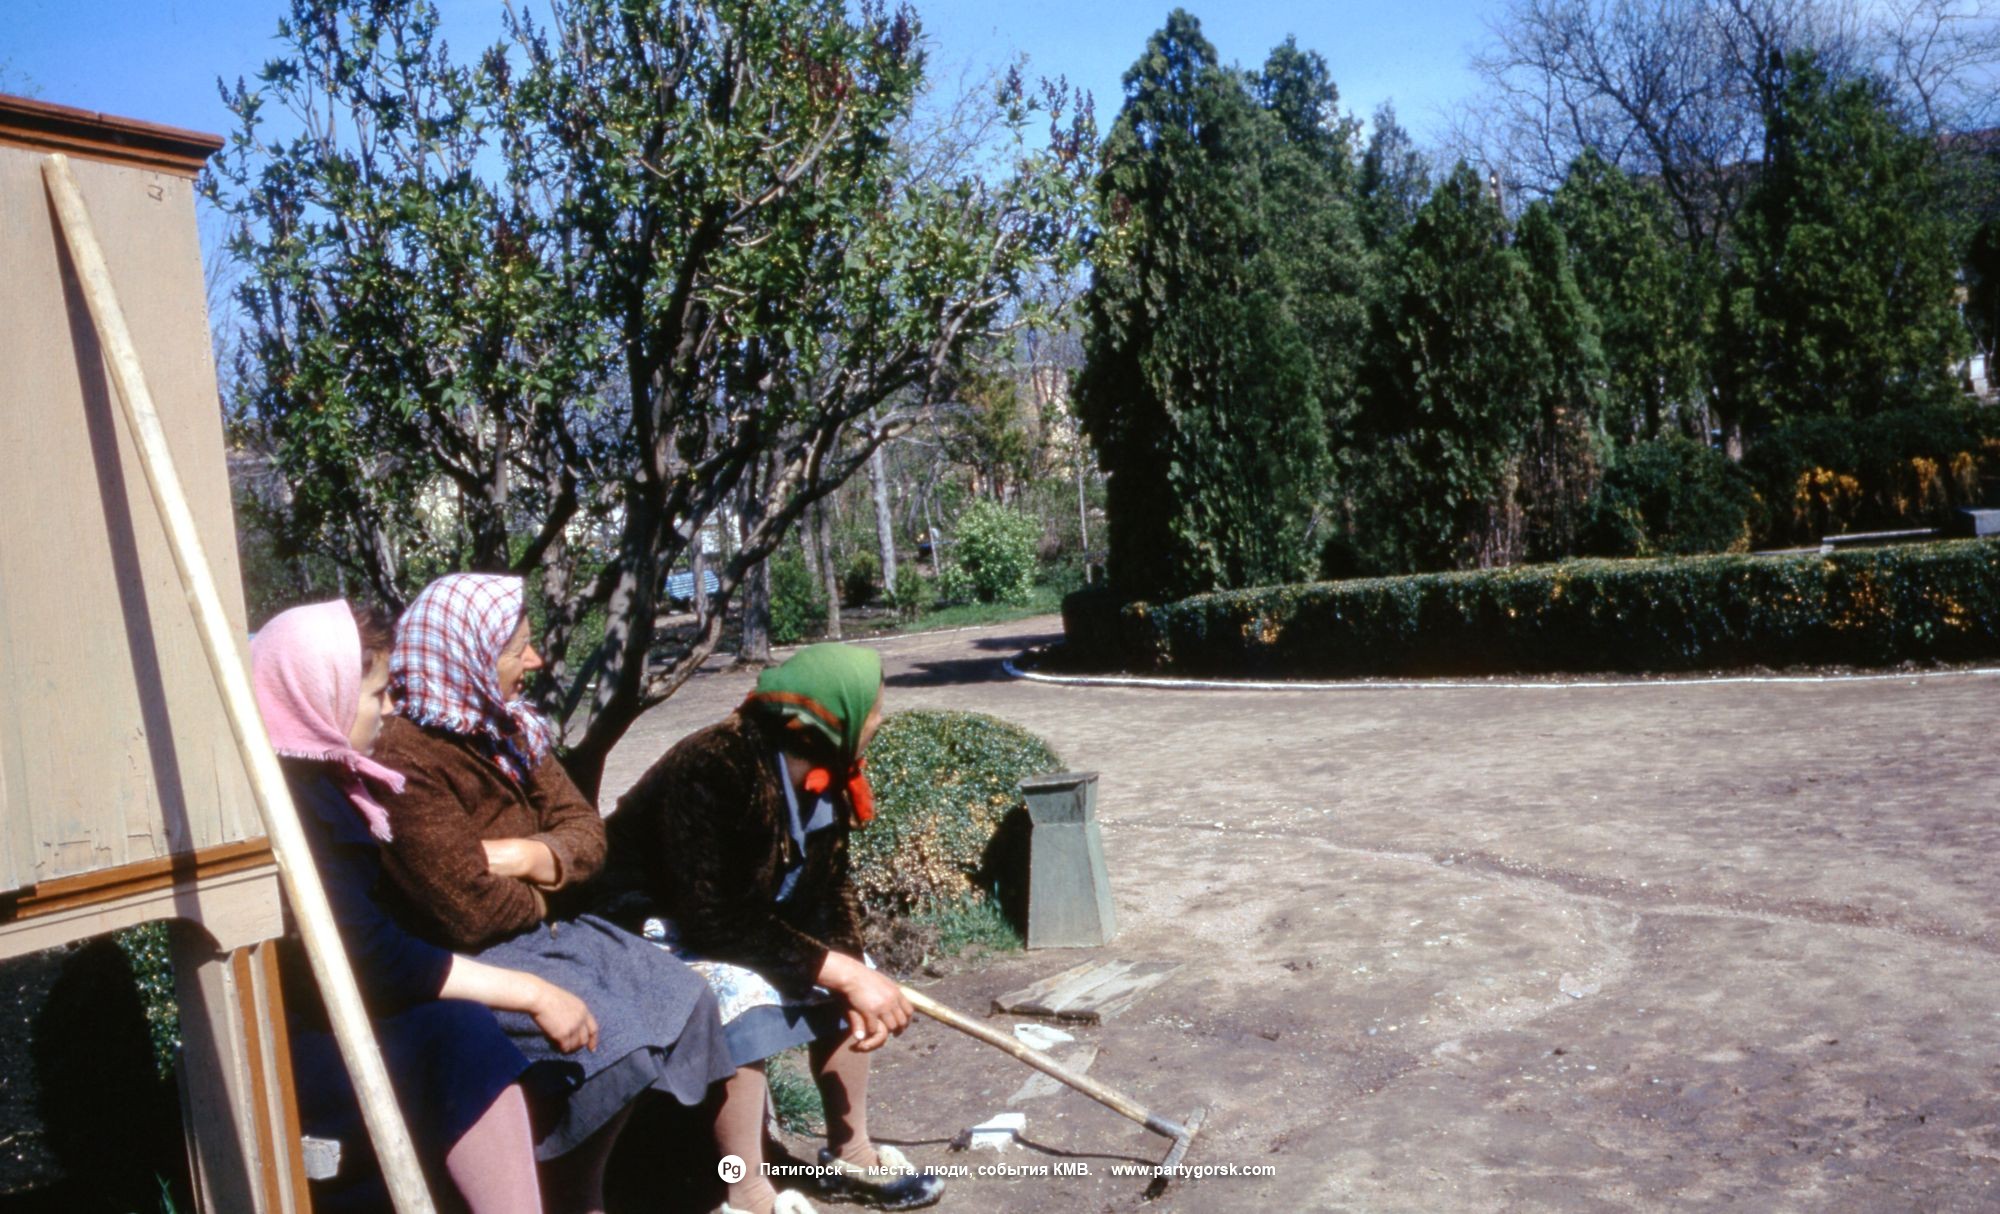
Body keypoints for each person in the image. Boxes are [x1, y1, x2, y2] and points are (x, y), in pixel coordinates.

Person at [369, 573, 734, 1214]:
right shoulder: (408, 756)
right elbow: (466, 906)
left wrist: (528, 855)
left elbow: (588, 832)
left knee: (685, 996)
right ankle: (575, 1193)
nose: (534, 662)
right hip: (481, 954)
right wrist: (552, 890)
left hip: (548, 931)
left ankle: (676, 1181)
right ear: (468, 655)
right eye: (519, 649)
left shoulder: (510, 727)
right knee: (612, 1040)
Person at [252, 600, 593, 1214]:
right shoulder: (300, 805)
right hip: (303, 1036)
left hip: (354, 1006)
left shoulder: (329, 780)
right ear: (318, 694)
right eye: (376, 693)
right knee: (463, 1038)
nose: (390, 708)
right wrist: (530, 990)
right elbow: (368, 955)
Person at [603, 643, 944, 1214]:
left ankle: (851, 1153)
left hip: (742, 922)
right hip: (645, 929)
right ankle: (745, 1191)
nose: (879, 720)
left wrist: (850, 969)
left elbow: (830, 888)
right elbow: (713, 919)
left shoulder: (825, 769)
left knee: (858, 973)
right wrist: (838, 971)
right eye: (875, 708)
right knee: (741, 993)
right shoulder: (716, 765)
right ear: (832, 714)